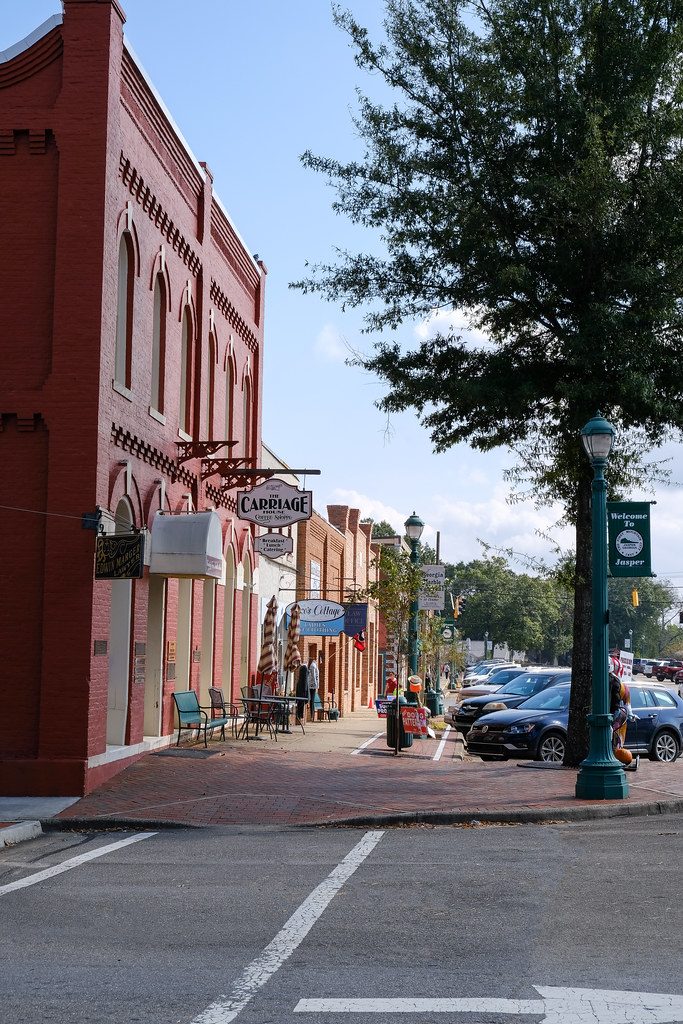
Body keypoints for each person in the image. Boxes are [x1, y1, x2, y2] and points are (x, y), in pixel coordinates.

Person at [609, 672, 639, 770]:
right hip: (620, 716)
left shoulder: (607, 683)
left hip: (616, 716)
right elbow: (628, 705)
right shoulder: (624, 688)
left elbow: (627, 705)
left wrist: (630, 715)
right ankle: (616, 755)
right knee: (618, 739)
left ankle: (614, 755)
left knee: (614, 738)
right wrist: (630, 715)